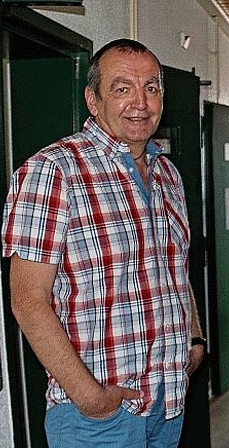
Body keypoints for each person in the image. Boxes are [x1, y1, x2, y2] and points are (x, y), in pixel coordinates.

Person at [1, 38, 204, 447]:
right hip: (96, 418)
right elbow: (27, 299)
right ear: (93, 100)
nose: (141, 102)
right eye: (122, 87)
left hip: (168, 401)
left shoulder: (168, 176)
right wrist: (92, 398)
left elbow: (174, 272)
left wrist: (195, 341)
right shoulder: (53, 171)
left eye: (151, 87)